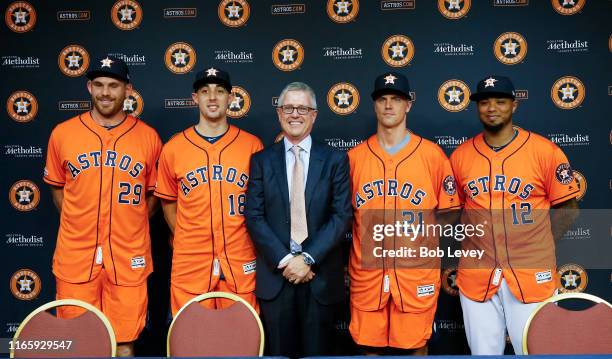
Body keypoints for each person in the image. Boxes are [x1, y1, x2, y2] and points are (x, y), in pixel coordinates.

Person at [450, 75, 580, 355]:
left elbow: (568, 210)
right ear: (477, 107)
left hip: (531, 273)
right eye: (484, 102)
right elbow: (452, 214)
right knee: (483, 354)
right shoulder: (460, 156)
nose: (492, 107)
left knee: (534, 350)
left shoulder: (545, 151)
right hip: (477, 275)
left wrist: (536, 244)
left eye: (500, 101)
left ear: (514, 105)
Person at [43, 55, 162, 357]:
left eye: (113, 85)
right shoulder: (62, 133)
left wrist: (129, 224)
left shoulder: (148, 137)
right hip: (75, 255)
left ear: (128, 89)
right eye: (98, 85)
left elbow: (152, 198)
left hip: (127, 255)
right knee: (78, 341)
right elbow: (58, 190)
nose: (105, 92)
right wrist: (79, 221)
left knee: (124, 342)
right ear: (89, 87)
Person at [348, 72, 460, 355]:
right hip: (368, 273)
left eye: (396, 99)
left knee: (416, 348)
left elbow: (449, 215)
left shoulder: (432, 156)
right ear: (374, 105)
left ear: (408, 105)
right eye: (382, 99)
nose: (388, 106)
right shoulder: (354, 158)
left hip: (415, 275)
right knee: (368, 348)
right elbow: (341, 218)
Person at [245, 82, 352, 358]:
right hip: (276, 279)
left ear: (314, 114)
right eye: (288, 108)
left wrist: (306, 259)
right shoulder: (261, 160)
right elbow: (254, 216)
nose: (295, 114)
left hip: (320, 280)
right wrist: (286, 260)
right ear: (279, 113)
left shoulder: (335, 160)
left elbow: (341, 216)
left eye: (302, 108)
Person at [155, 67, 263, 316]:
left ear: (231, 98)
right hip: (191, 260)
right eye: (205, 91)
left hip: (239, 257)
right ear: (195, 98)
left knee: (241, 340)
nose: (212, 97)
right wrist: (188, 237)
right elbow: (169, 203)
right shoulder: (174, 148)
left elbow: (261, 205)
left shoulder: (252, 146)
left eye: (220, 91)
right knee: (192, 340)